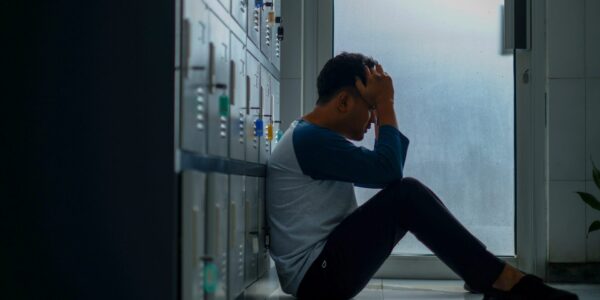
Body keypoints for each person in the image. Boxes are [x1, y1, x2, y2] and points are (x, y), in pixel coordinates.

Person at [266, 52, 578, 300]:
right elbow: (389, 172)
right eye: (370, 107)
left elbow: (386, 169)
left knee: (406, 195)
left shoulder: (312, 138)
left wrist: (380, 104)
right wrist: (387, 101)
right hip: (317, 279)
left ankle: (483, 273)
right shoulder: (310, 141)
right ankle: (499, 279)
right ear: (345, 101)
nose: (374, 117)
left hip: (320, 272)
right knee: (407, 195)